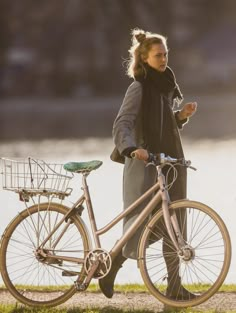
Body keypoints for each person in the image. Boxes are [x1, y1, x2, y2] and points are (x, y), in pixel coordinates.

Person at [99, 28, 197, 299]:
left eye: (165, 54)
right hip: (146, 165)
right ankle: (111, 269)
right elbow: (123, 123)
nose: (164, 59)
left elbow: (163, 126)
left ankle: (174, 289)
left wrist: (181, 116)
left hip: (171, 163)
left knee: (174, 226)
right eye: (158, 55)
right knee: (140, 227)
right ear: (144, 58)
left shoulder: (164, 85)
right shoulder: (139, 87)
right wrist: (131, 149)